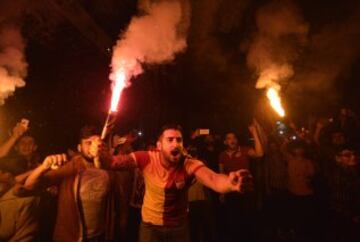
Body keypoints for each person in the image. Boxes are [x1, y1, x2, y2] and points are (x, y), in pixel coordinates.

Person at [103, 124, 253, 242]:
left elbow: (213, 179)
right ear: (159, 145)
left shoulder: (189, 164)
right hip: (150, 228)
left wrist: (230, 183)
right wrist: (100, 150)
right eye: (170, 140)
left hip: (178, 228)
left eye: (179, 140)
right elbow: (112, 163)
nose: (175, 144)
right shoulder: (146, 158)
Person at [18, 125, 121, 242]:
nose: (94, 146)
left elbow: (112, 193)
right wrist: (43, 167)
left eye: (98, 143)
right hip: (71, 237)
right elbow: (29, 186)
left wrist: (100, 159)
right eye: (88, 143)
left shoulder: (107, 167)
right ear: (79, 148)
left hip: (100, 236)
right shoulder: (69, 167)